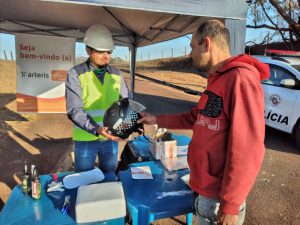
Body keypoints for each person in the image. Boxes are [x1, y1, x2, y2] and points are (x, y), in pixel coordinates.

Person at [138, 20, 270, 225]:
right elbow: (194, 117)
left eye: (192, 47)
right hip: (204, 190)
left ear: (206, 44)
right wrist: (156, 119)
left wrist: (231, 205)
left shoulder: (240, 79)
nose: (190, 54)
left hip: (218, 200)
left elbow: (248, 148)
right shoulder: (216, 81)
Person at [65, 24, 128, 173]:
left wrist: (125, 128)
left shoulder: (117, 73)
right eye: (100, 51)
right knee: (84, 177)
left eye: (109, 51)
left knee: (109, 174)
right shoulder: (75, 73)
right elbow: (74, 110)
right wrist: (96, 129)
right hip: (86, 138)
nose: (106, 56)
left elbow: (126, 104)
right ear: (88, 50)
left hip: (110, 139)